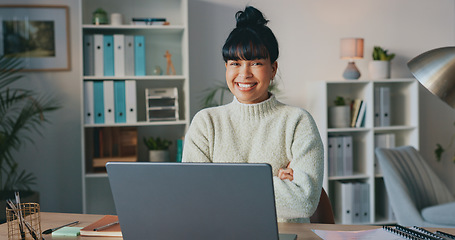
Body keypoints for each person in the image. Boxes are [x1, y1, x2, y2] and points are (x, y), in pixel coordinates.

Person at [182, 6, 324, 223]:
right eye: (235, 63)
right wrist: (273, 181)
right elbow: (193, 196)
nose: (244, 74)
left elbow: (304, 202)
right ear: (226, 68)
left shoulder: (297, 121)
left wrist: (218, 183)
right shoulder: (206, 122)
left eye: (256, 63)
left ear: (273, 69)